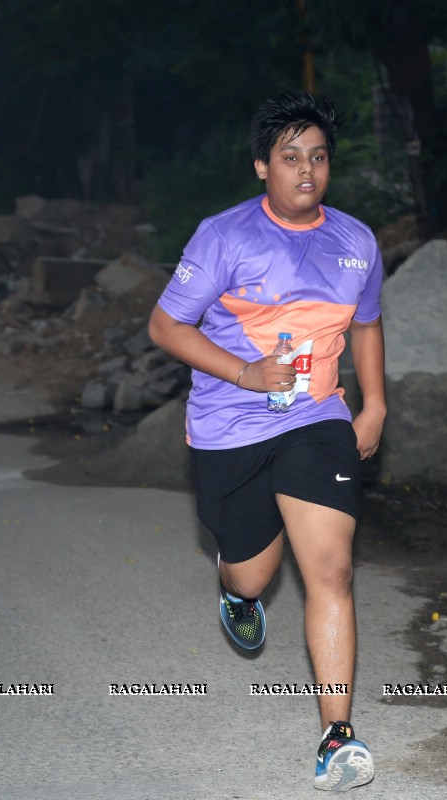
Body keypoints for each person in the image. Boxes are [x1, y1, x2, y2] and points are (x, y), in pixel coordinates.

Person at [148, 89, 386, 792]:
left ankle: (336, 735)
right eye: (290, 158)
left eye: (317, 157)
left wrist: (373, 405)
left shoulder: (356, 242)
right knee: (253, 572)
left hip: (316, 421)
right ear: (262, 167)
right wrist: (245, 371)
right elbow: (167, 327)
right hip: (230, 427)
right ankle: (238, 591)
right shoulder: (223, 237)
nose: (306, 171)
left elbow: (366, 325)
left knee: (331, 569)